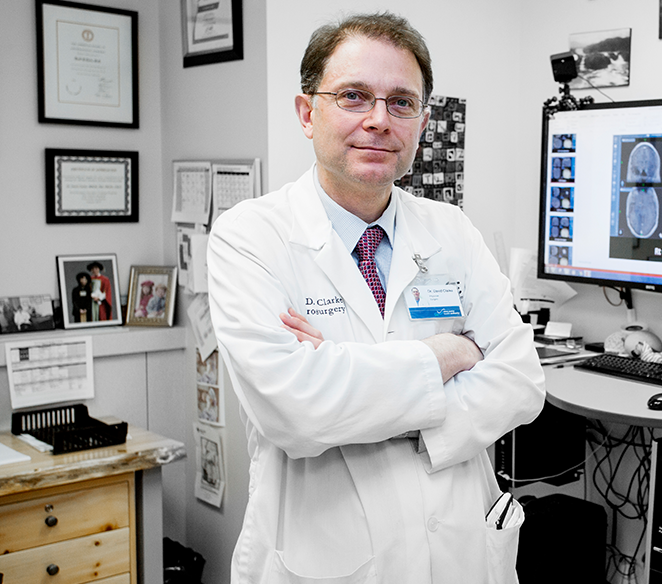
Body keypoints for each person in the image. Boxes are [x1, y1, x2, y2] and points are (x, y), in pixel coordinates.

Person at [206, 12, 545, 584]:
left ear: (423, 121)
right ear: (306, 112)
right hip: (327, 558)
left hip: (462, 554)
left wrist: (359, 390)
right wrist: (447, 356)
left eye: (401, 102)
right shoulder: (250, 236)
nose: (379, 120)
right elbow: (295, 408)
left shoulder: (452, 230)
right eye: (354, 97)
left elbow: (521, 381)